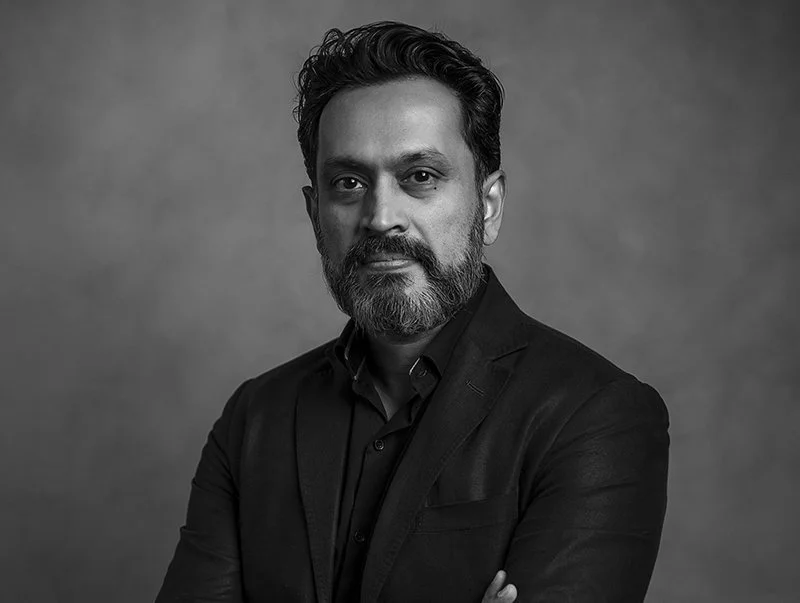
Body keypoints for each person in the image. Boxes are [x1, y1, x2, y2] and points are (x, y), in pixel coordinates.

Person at [156, 21, 669, 603]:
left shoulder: (596, 416)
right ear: (314, 212)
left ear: (489, 204)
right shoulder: (254, 420)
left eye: (420, 177)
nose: (380, 217)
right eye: (348, 182)